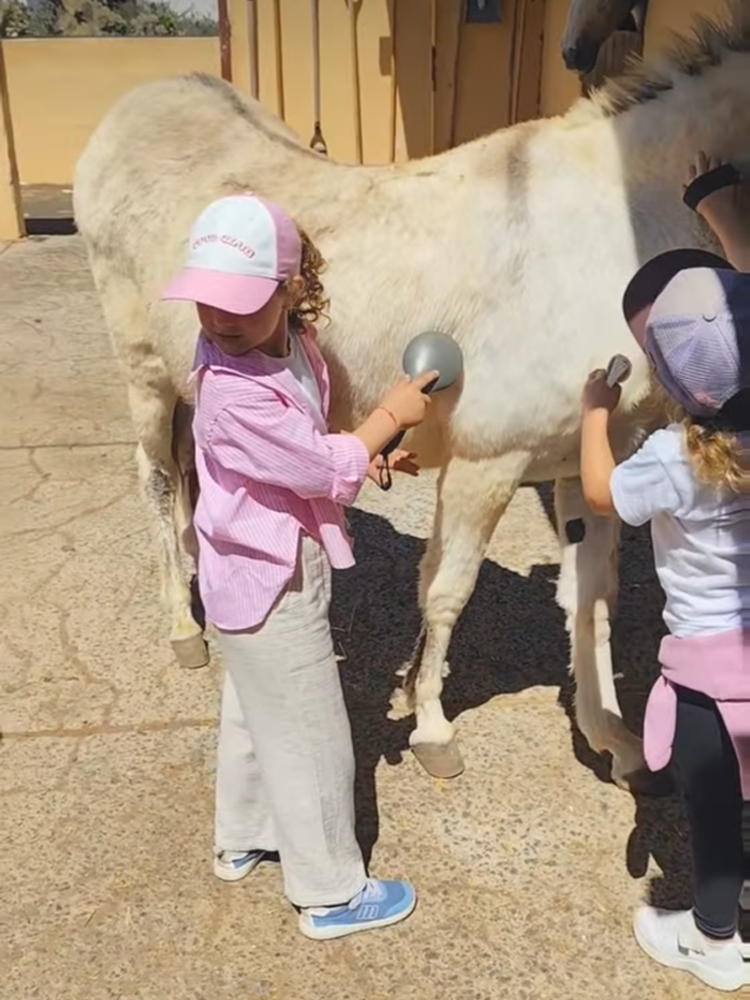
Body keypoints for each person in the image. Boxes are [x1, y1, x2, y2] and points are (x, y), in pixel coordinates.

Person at [162, 192, 438, 941]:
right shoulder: (227, 394)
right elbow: (315, 461)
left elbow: (311, 441)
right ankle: (330, 892)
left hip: (266, 561)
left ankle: (244, 834)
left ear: (289, 287)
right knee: (313, 734)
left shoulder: (291, 344)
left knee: (257, 714)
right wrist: (389, 417)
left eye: (241, 303)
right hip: (265, 577)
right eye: (207, 304)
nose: (220, 320)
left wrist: (371, 458)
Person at [579, 151, 750, 993]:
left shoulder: (674, 458)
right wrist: (719, 211)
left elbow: (598, 493)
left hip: (708, 681)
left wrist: (593, 414)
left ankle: (715, 942)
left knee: (713, 813)